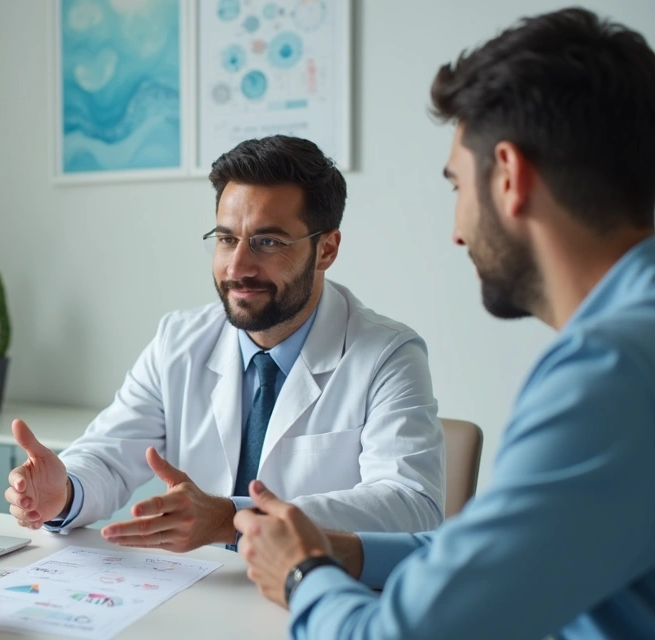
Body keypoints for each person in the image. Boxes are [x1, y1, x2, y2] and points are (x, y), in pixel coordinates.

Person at [233, 8, 655, 639]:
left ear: (509, 176)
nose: (457, 231)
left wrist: (302, 575)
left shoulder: (612, 370)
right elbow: (499, 561)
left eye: (458, 185)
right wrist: (350, 554)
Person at [6, 136, 446, 552]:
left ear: (326, 249)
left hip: (315, 594)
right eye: (226, 239)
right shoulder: (178, 341)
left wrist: (230, 519)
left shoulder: (388, 355)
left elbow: (411, 506)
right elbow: (108, 455)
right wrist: (64, 491)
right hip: (200, 594)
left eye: (267, 241)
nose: (238, 266)